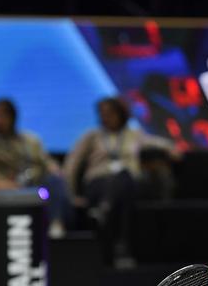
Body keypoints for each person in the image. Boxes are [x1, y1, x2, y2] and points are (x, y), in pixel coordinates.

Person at [63, 96, 177, 265]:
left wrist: (172, 149)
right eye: (102, 114)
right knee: (119, 186)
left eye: (109, 113)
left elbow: (156, 142)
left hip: (128, 184)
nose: (105, 118)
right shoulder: (92, 136)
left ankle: (104, 210)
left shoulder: (134, 135)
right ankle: (121, 247)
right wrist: (71, 195)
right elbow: (72, 163)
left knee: (124, 178)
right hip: (98, 183)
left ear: (120, 114)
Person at [0, 98, 72, 238]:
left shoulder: (29, 140)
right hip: (2, 187)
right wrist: (3, 184)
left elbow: (47, 162)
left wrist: (54, 169)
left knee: (55, 181)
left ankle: (56, 225)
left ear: (13, 117)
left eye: (3, 116)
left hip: (32, 185)